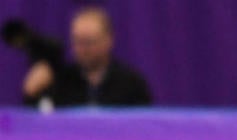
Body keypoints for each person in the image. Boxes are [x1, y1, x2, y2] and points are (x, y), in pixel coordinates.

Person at [4, 6, 152, 108]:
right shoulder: (60, 82)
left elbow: (143, 127)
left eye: (89, 42)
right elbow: (40, 123)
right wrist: (32, 94)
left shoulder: (131, 84)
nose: (82, 49)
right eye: (77, 41)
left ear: (108, 40)